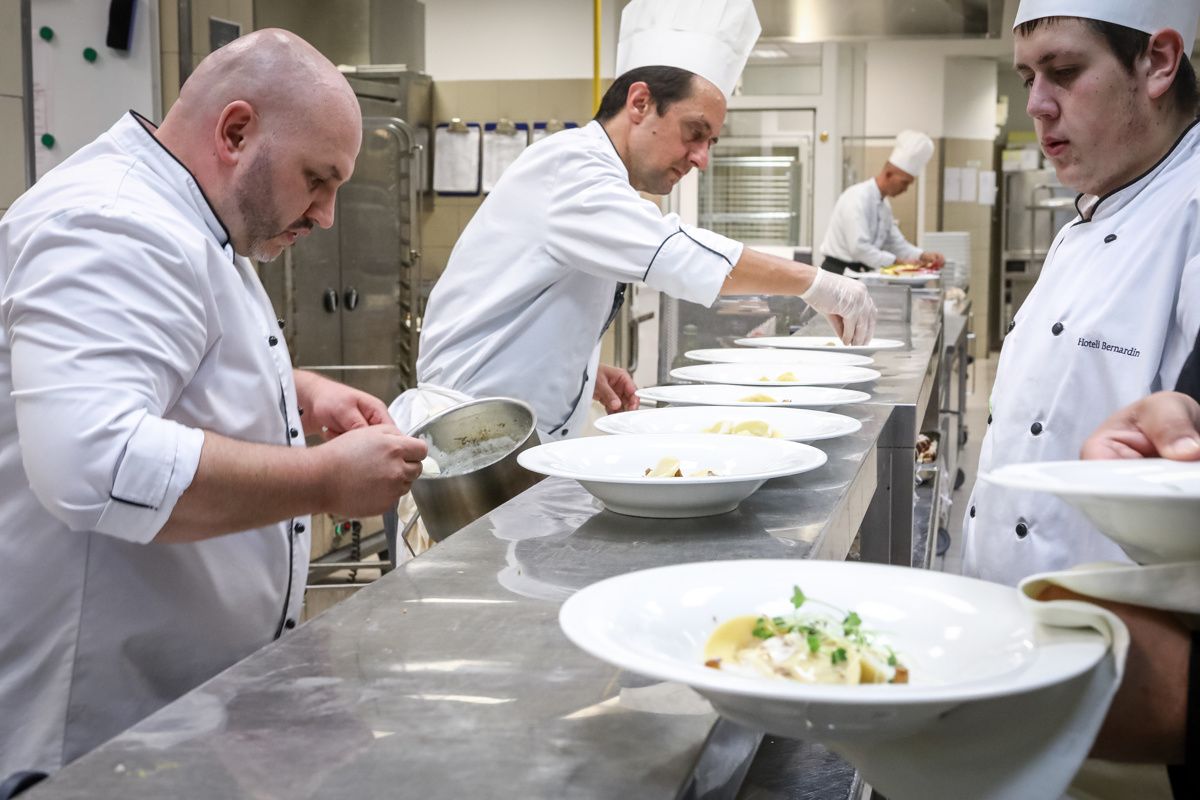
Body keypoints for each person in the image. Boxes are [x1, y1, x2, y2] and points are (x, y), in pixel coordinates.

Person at [0, 30, 426, 776]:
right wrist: (325, 479)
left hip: (178, 716)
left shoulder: (196, 217)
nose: (326, 214)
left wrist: (299, 391)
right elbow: (93, 463)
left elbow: (170, 366)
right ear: (235, 132)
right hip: (96, 729)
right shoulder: (112, 223)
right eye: (317, 179)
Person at [392, 0, 877, 439]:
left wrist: (581, 373)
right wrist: (817, 283)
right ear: (640, 102)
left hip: (507, 441)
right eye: (694, 132)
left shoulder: (600, 179)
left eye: (711, 142)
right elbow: (675, 252)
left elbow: (526, 309)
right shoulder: (571, 167)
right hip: (464, 448)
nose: (702, 158)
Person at [962, 0, 1200, 586]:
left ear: (1158, 62)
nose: (1036, 105)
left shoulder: (1191, 207)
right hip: (1016, 610)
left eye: (1064, 71)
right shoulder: (1086, 220)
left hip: (1121, 623)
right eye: (1028, 78)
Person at [819, 130, 945, 275]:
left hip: (859, 271)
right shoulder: (857, 197)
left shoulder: (884, 205)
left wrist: (922, 255)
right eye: (904, 183)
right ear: (888, 174)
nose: (905, 189)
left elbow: (895, 243)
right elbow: (858, 248)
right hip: (837, 272)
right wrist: (897, 262)